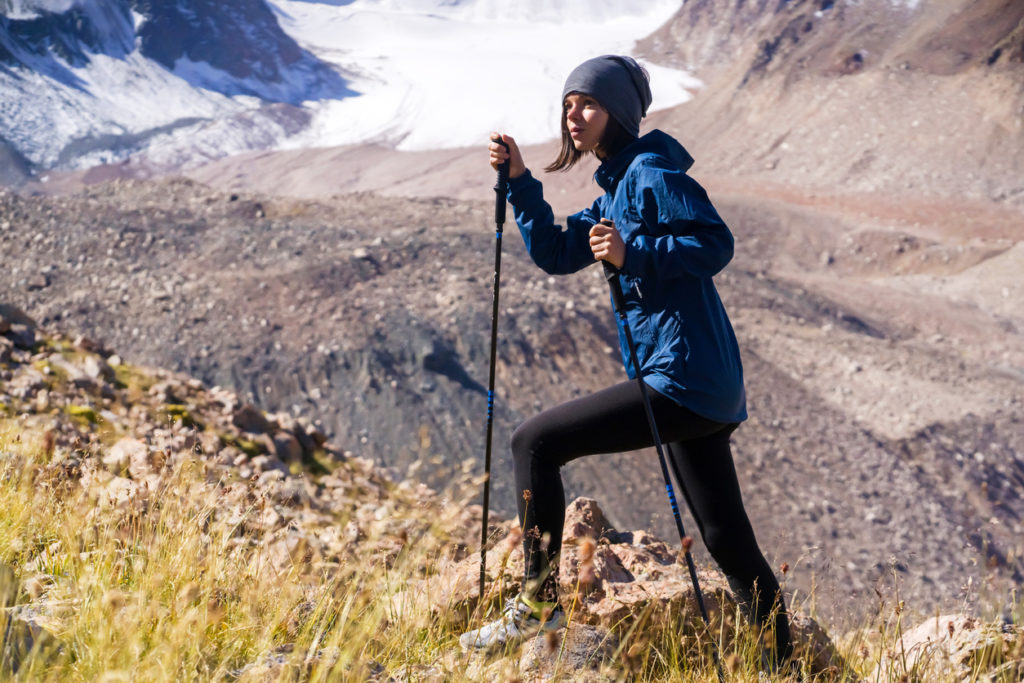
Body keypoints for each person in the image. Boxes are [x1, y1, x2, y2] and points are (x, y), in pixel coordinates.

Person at [459, 55, 794, 668]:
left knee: (534, 442)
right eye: (567, 104)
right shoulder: (615, 188)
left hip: (683, 377)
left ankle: (536, 604)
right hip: (704, 386)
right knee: (727, 541)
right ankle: (786, 670)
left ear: (619, 111)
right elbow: (560, 253)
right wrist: (522, 183)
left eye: (587, 102)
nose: (574, 114)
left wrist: (632, 251)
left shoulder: (650, 172)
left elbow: (715, 242)